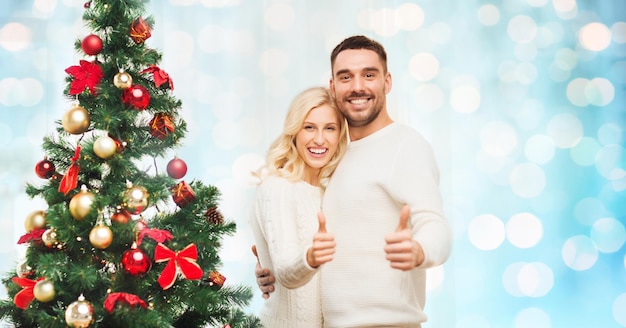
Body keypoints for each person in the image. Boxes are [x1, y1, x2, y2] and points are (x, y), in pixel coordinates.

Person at [255, 35, 453, 327]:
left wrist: (419, 249)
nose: (358, 86)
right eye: (346, 77)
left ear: (387, 82)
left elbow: (435, 224)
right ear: (333, 87)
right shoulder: (333, 155)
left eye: (369, 75)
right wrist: (272, 269)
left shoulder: (406, 146)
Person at [249, 86, 347, 328]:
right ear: (294, 132)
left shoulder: (328, 193)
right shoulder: (278, 188)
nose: (320, 139)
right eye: (309, 127)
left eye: (330, 128)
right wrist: (311, 258)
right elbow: (285, 272)